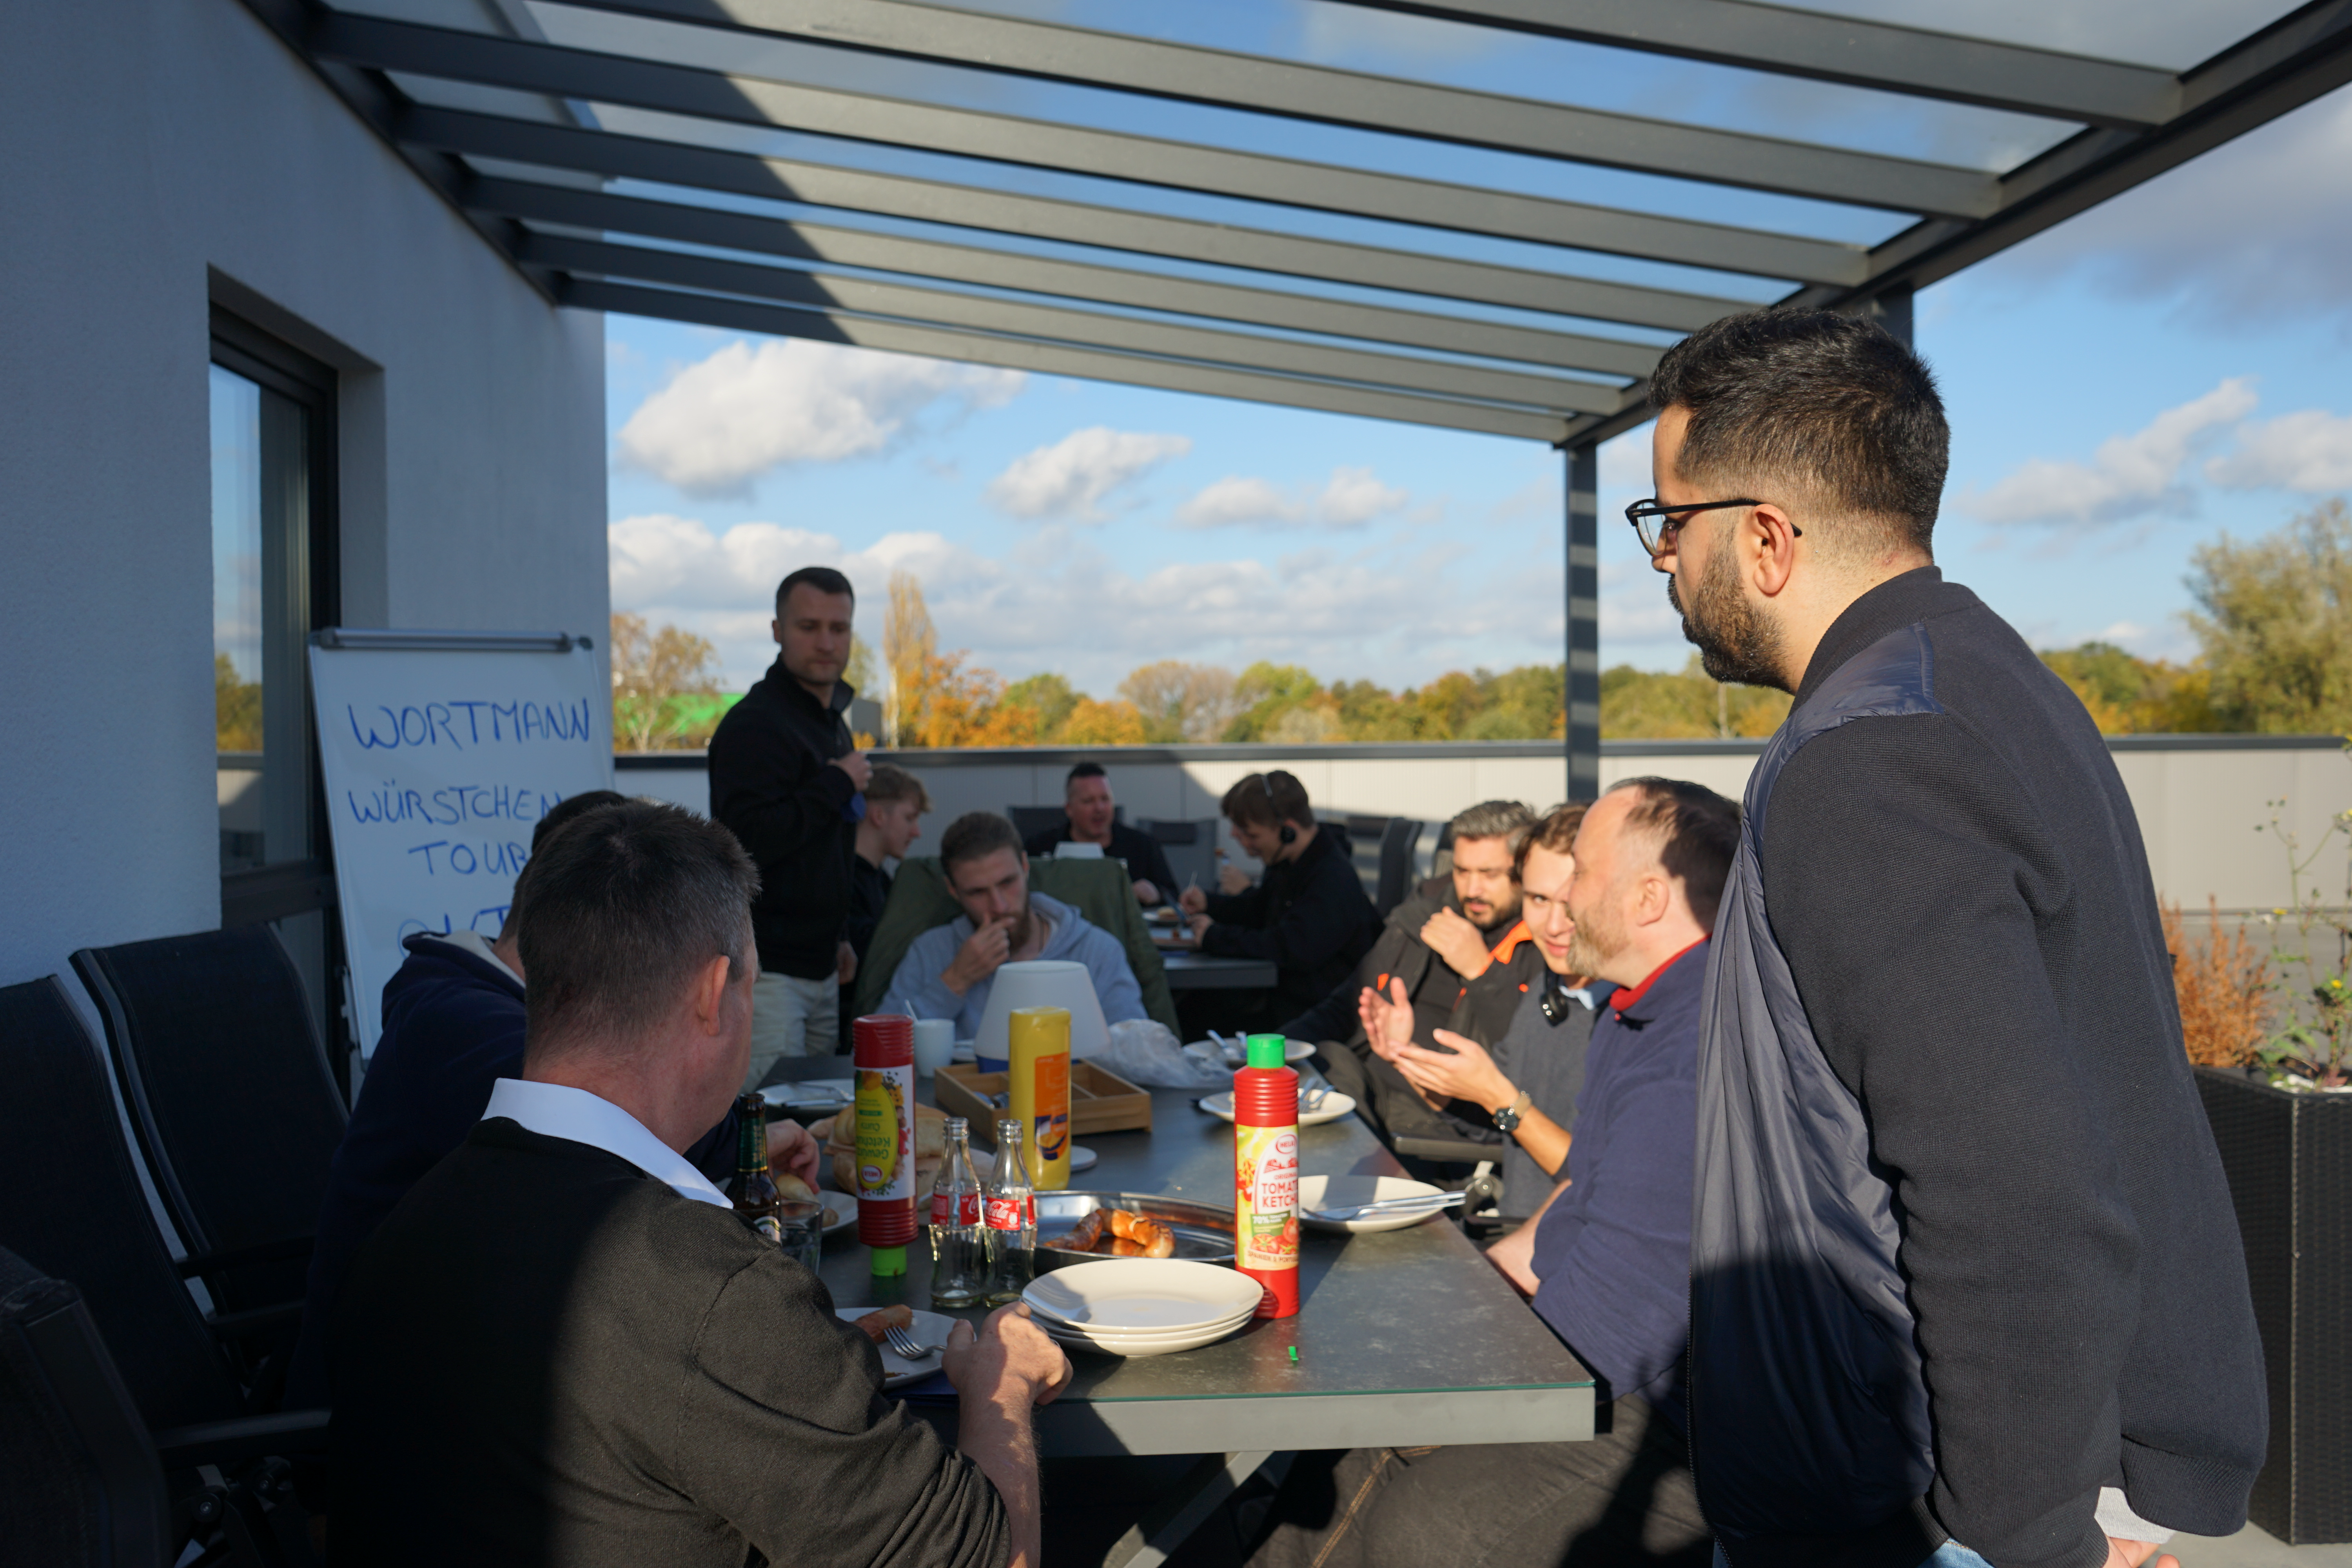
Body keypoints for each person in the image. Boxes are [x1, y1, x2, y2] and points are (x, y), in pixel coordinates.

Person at [1642, 308, 2266, 1568]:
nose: (1659, 560)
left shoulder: (1869, 757)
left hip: (1943, 1506)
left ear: (1763, 537)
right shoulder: (1974, 679)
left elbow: (2009, 1194)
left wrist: (2024, 1541)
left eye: (1669, 519)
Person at [330, 800, 1071, 1566]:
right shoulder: (713, 1292)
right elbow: (993, 1557)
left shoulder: (406, 1225)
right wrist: (1000, 1384)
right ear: (715, 993)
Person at [1222, 779, 1735, 1568]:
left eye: (1581, 876)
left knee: (1412, 1521)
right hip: (1583, 1354)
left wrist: (1456, 1371)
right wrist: (1467, 1292)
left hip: (1657, 1414)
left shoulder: (1696, 1042)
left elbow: (1621, 1331)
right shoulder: (1638, 1010)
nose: (1561, 901)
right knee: (1341, 1454)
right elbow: (1579, 1199)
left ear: (1648, 897)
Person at [283, 788, 763, 1414]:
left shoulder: (463, 1001)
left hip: (457, 1374)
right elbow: (602, 1140)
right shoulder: (460, 1021)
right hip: (383, 1427)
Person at [1354, 802, 1603, 1218]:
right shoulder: (1552, 988)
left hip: (1545, 1239)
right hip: (1520, 1225)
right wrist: (1406, 1058)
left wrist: (1496, 1093)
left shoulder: (1624, 1009)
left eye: (1489, 874)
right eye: (1539, 899)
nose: (1555, 925)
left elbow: (1598, 1178)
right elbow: (1488, 1116)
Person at [1287, 800, 1546, 1158]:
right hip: (1368, 1082)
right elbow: (1346, 1004)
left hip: (1442, 1119)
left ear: (1524, 871)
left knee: (1328, 1078)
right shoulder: (1425, 914)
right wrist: (1270, 1053)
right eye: (1461, 871)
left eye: (1489, 875)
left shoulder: (1545, 941)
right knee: (1313, 1067)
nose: (1472, 889)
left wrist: (1481, 971)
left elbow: (1534, 1060)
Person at [709, 564, 870, 1086]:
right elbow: (745, 842)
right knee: (771, 1124)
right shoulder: (756, 724)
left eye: (838, 628)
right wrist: (837, 784)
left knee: (816, 1131)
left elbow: (826, 849)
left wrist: (838, 936)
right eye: (809, 627)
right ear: (777, 631)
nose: (826, 642)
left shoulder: (831, 720)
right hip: (769, 973)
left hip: (824, 968)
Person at [879, 811, 1148, 1037]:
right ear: (953, 890)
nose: (999, 906)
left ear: (1025, 866)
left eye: (1007, 883)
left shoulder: (1096, 950)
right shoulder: (931, 952)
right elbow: (874, 1055)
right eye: (977, 892)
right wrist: (955, 982)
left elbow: (1139, 1053)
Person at [1177, 770, 1378, 1031]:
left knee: (1196, 1018)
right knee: (1191, 1007)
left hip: (1311, 1014)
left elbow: (1292, 947)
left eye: (1252, 835)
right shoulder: (1288, 862)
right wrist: (1210, 904)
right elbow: (1260, 909)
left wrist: (1216, 937)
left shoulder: (1332, 878)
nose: (1245, 842)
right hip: (1282, 998)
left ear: (1288, 832)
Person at [842, 762, 930, 1038]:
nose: (917, 832)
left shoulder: (881, 880)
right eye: (909, 818)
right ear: (878, 815)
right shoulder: (846, 883)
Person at [1022, 762, 1181, 907]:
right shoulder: (1040, 847)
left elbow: (1175, 897)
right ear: (1069, 809)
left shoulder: (1142, 846)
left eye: (1105, 799)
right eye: (1088, 801)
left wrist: (1157, 894)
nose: (1099, 808)